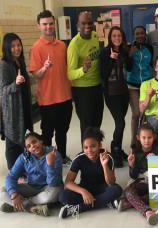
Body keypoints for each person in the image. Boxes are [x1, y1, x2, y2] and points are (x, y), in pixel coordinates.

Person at [29, 10, 73, 165]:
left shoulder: (62, 45)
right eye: (45, 24)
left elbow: (69, 67)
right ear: (39, 26)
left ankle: (61, 156)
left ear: (54, 24)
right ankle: (46, 160)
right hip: (47, 99)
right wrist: (44, 67)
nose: (48, 27)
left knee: (63, 130)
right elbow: (36, 75)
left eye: (50, 23)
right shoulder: (36, 47)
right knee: (47, 133)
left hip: (65, 97)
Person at [58, 127, 122, 219]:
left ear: (100, 145)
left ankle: (80, 208)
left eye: (93, 146)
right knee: (63, 196)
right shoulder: (79, 158)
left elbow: (111, 183)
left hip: (103, 187)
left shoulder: (108, 157)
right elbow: (68, 182)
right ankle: (106, 202)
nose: (89, 150)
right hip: (85, 186)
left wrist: (104, 165)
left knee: (116, 190)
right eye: (86, 147)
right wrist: (84, 192)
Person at [0, 132, 63, 217]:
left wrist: (50, 164)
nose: (33, 146)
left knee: (53, 195)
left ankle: (18, 205)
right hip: (32, 187)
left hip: (49, 188)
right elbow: (11, 177)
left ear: (40, 140)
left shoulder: (54, 154)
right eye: (29, 146)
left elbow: (54, 183)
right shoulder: (24, 157)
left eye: (34, 142)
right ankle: (32, 208)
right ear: (27, 149)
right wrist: (13, 195)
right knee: (1, 191)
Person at [0, 33, 33, 170]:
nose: (17, 48)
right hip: (11, 112)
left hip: (22, 108)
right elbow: (3, 90)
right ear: (6, 47)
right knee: (13, 144)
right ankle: (14, 173)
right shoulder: (2, 66)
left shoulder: (19, 61)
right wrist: (16, 83)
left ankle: (21, 170)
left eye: (18, 45)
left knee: (21, 141)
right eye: (12, 46)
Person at [67, 11, 104, 142]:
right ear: (78, 24)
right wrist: (83, 69)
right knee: (87, 126)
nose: (87, 26)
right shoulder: (74, 45)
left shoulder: (95, 36)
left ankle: (97, 150)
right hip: (82, 90)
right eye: (83, 23)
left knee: (97, 123)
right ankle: (86, 154)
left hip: (97, 86)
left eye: (89, 22)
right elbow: (70, 74)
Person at [100, 26, 132, 168]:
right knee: (120, 123)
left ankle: (116, 148)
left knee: (120, 123)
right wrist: (112, 59)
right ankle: (116, 152)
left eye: (119, 36)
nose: (117, 38)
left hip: (123, 93)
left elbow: (130, 68)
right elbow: (104, 75)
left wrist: (128, 53)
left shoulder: (124, 51)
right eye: (114, 36)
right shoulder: (105, 52)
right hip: (111, 93)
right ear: (110, 38)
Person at [118, 124, 158, 225]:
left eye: (150, 137)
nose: (147, 140)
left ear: (154, 137)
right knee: (128, 192)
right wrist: (131, 164)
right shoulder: (135, 152)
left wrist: (155, 162)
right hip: (142, 183)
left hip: (155, 185)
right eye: (144, 137)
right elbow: (133, 176)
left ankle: (129, 204)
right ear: (138, 138)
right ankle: (147, 212)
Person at [127, 25, 153, 148]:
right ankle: (133, 141)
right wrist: (130, 56)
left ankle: (144, 139)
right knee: (136, 113)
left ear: (145, 35)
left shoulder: (149, 48)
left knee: (145, 113)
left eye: (142, 33)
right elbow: (127, 67)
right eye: (137, 34)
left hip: (146, 84)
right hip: (133, 85)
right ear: (134, 36)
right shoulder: (129, 47)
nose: (140, 36)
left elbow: (153, 65)